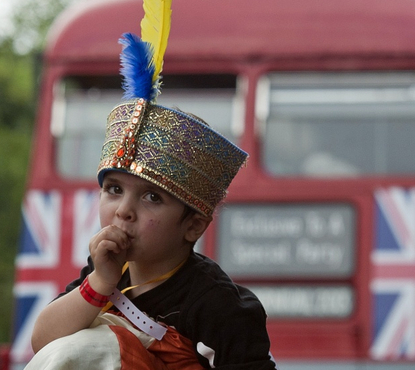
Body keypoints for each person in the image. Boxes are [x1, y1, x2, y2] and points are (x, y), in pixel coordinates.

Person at [27, 2, 275, 369]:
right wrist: (99, 282)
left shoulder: (219, 305)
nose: (124, 209)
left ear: (193, 225)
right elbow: (44, 344)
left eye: (151, 197)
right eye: (113, 189)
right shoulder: (104, 273)